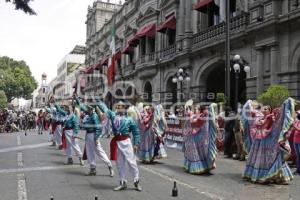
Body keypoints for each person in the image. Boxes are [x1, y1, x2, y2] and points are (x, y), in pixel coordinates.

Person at [242, 98, 294, 184]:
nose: (265, 110)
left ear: (270, 110)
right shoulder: (258, 118)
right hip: (259, 144)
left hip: (270, 143)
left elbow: (279, 123)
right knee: (260, 160)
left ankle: (278, 177)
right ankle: (257, 175)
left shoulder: (273, 119)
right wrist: (249, 103)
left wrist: (285, 106)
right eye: (264, 108)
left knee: (275, 157)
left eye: (267, 109)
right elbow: (251, 117)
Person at [96, 99, 142, 192]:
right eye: (117, 106)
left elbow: (136, 132)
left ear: (124, 108)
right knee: (119, 163)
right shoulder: (114, 116)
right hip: (117, 141)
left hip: (126, 141)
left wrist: (136, 143)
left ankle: (136, 181)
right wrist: (97, 100)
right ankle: (122, 182)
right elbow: (105, 109)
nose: (117, 107)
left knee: (131, 162)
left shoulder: (129, 119)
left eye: (120, 106)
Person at [75, 96, 114, 177]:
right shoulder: (88, 115)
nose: (86, 108)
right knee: (89, 152)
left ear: (91, 108)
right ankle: (93, 169)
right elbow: (82, 107)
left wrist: (96, 138)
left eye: (88, 107)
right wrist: (77, 100)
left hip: (93, 136)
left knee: (99, 151)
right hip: (88, 135)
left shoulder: (95, 116)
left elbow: (98, 128)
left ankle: (109, 165)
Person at [183, 104, 218, 174]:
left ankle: (201, 167)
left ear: (200, 110)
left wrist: (190, 115)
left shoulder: (202, 115)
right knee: (198, 154)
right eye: (195, 108)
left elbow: (194, 122)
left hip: (200, 138)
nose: (196, 110)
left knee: (200, 153)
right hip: (196, 138)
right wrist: (189, 113)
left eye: (197, 109)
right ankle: (201, 167)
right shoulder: (197, 116)